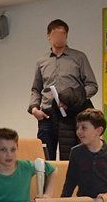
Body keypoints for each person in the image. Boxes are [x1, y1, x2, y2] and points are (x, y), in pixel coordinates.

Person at [28, 19, 98, 160]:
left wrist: (74, 99)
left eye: (62, 34)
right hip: (47, 114)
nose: (59, 38)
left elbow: (92, 86)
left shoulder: (79, 57)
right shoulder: (42, 62)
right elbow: (36, 89)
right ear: (49, 36)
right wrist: (34, 109)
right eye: (55, 34)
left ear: (66, 35)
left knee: (72, 157)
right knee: (45, 158)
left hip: (71, 113)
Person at [61, 109, 107, 198]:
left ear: (98, 130)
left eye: (84, 128)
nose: (79, 131)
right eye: (77, 128)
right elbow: (70, 180)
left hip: (106, 201)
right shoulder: (76, 152)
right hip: (85, 201)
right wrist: (63, 201)